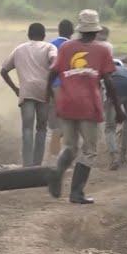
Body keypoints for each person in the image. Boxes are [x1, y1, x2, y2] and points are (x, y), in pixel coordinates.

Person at [47, 10, 126, 204]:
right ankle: (76, 193)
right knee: (89, 149)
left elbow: (51, 74)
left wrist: (47, 98)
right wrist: (118, 108)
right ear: (96, 30)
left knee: (71, 146)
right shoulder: (102, 50)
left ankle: (58, 170)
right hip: (88, 105)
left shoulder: (65, 47)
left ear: (80, 29)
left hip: (66, 103)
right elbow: (108, 81)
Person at [1, 23, 57, 167]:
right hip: (43, 91)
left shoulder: (19, 49)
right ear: (44, 35)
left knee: (27, 128)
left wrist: (15, 88)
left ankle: (27, 164)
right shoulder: (49, 47)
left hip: (26, 92)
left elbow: (3, 71)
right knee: (41, 127)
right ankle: (37, 164)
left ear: (28, 35)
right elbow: (54, 61)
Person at [47, 19, 74, 158]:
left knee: (55, 121)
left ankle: (53, 155)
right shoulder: (74, 46)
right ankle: (66, 154)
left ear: (58, 30)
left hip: (52, 86)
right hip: (69, 87)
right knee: (68, 119)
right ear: (72, 32)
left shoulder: (49, 45)